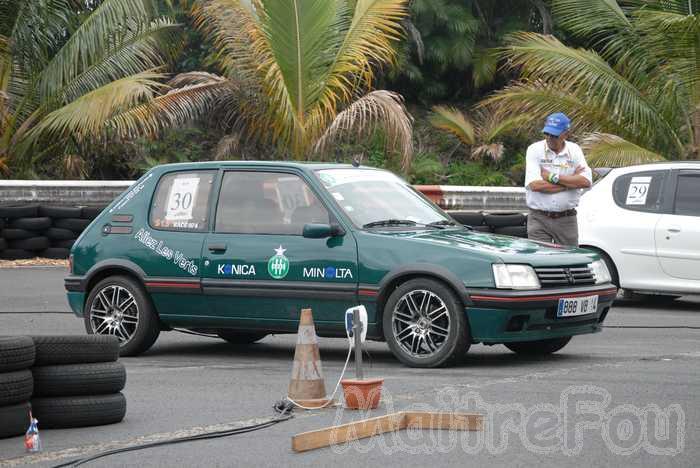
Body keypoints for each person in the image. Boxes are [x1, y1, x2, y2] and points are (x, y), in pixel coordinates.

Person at [524, 113, 592, 246]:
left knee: (570, 261)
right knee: (540, 262)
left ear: (565, 134)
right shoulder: (534, 149)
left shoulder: (575, 150)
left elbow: (586, 181)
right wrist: (571, 183)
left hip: (566, 219)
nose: (549, 138)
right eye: (547, 134)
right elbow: (535, 185)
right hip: (539, 218)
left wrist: (551, 177)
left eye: (554, 135)